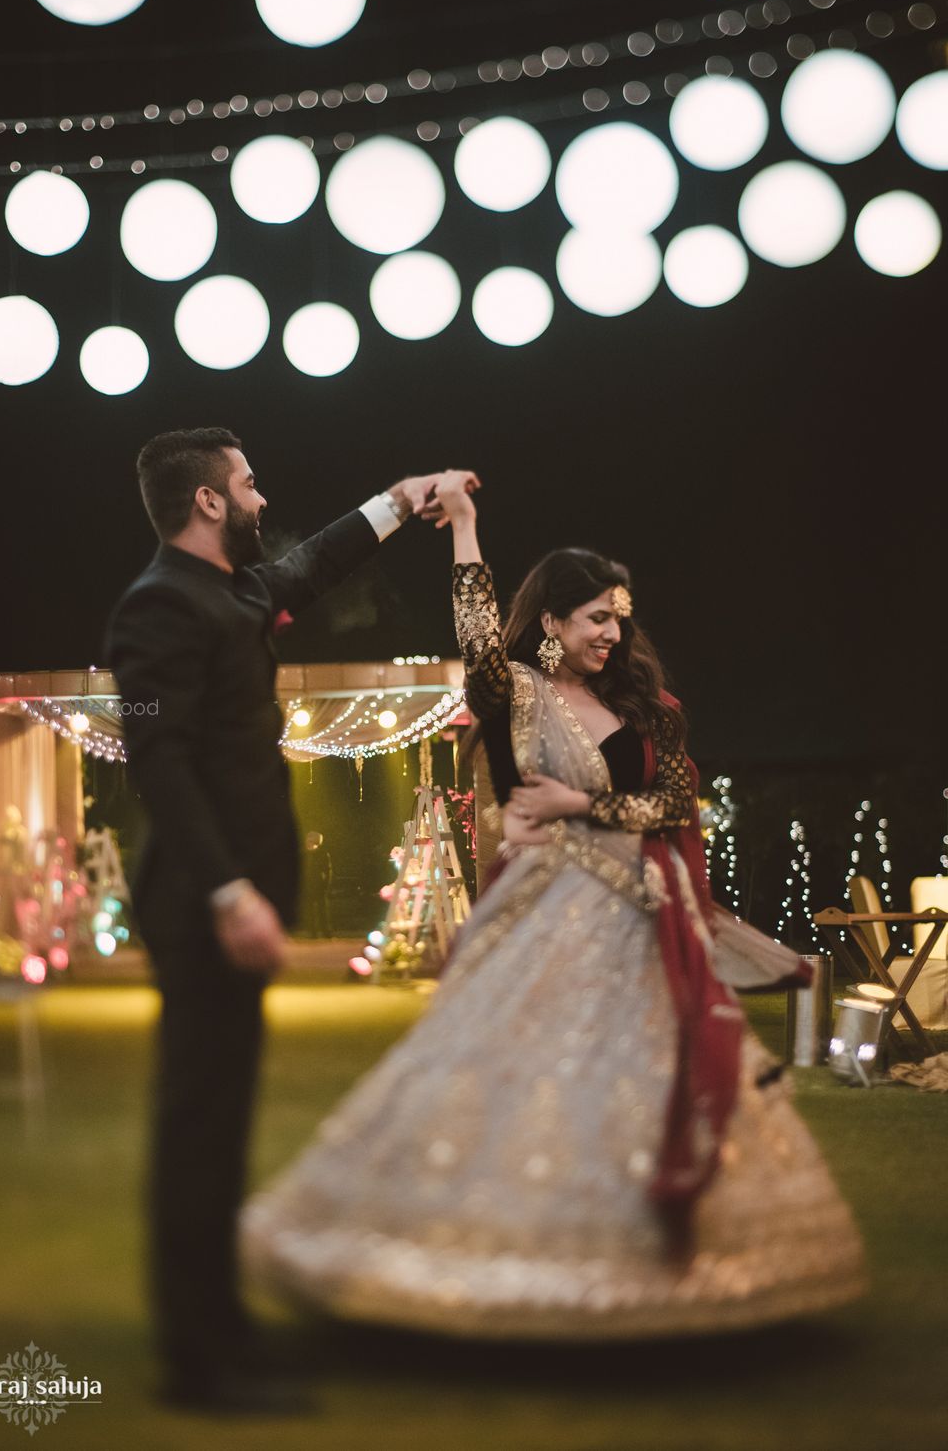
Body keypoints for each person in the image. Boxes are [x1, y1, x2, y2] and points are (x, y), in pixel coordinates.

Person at [240, 470, 866, 1340]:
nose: (615, 632)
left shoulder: (646, 711)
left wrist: (580, 805)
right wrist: (463, 525)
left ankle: (658, 1262)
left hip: (641, 915)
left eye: (620, 617)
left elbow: (677, 807)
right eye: (597, 618)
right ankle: (496, 1257)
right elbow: (473, 636)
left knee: (644, 1081)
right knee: (528, 1081)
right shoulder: (518, 692)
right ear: (552, 625)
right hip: (548, 912)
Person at [105, 427, 472, 1409]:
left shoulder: (236, 591)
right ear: (210, 502)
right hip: (199, 906)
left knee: (224, 1128)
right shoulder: (154, 610)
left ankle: (225, 1329)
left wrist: (402, 498)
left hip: (237, 902)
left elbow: (314, 561)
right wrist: (228, 896)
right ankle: (198, 1360)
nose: (264, 497)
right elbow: (156, 763)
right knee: (198, 1125)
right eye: (249, 482)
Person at [301, 830, 333, 939]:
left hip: (319, 886)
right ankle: (313, 933)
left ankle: (325, 932)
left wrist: (326, 885)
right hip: (309, 885)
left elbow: (328, 871)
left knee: (322, 911)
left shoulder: (322, 854)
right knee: (311, 911)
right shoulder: (305, 854)